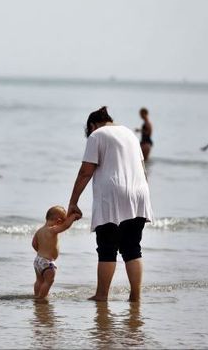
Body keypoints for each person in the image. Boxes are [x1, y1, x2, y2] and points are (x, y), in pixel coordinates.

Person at [67, 106, 153, 302]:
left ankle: (102, 295)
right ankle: (135, 296)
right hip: (140, 193)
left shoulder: (96, 135)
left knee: (107, 247)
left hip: (113, 194)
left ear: (92, 125)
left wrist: (73, 202)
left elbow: (86, 171)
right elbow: (142, 168)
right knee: (132, 247)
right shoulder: (130, 134)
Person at [31, 205, 79, 299]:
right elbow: (65, 226)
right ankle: (42, 297)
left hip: (38, 260)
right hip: (47, 262)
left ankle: (37, 295)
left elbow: (33, 244)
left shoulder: (39, 231)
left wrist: (41, 251)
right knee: (49, 281)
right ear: (58, 220)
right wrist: (73, 217)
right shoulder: (52, 230)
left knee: (39, 281)